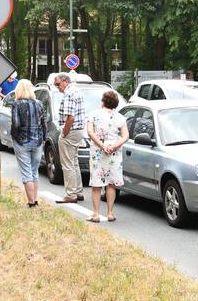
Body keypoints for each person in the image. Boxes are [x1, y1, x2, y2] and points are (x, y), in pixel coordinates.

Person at [86, 90, 129, 222]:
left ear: (103, 101)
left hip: (98, 152)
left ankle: (96, 214)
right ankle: (110, 213)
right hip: (114, 153)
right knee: (111, 184)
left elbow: (90, 132)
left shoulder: (93, 114)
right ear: (115, 104)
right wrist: (114, 146)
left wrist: (102, 145)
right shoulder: (120, 118)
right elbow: (126, 136)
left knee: (97, 184)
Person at [10, 79, 46, 207]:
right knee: (34, 171)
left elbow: (16, 124)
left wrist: (14, 136)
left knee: (26, 173)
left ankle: (31, 203)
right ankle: (35, 200)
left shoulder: (17, 104)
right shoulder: (39, 103)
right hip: (37, 141)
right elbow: (43, 124)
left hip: (22, 141)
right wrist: (43, 139)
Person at [53, 72, 85, 203]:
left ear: (65, 81)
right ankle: (78, 191)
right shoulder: (76, 90)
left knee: (67, 164)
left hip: (71, 131)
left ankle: (71, 195)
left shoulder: (68, 93)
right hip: (78, 131)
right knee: (74, 162)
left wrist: (64, 133)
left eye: (58, 84)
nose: (57, 87)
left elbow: (70, 117)